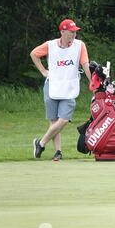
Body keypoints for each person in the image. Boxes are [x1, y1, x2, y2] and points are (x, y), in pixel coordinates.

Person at [30, 19, 92, 161]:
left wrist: (92, 83)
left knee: (63, 120)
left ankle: (41, 143)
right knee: (54, 121)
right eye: (71, 32)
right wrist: (43, 71)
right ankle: (58, 152)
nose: (73, 34)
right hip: (52, 86)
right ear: (62, 32)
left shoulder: (79, 46)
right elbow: (34, 54)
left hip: (69, 87)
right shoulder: (50, 45)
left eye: (75, 32)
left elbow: (85, 65)